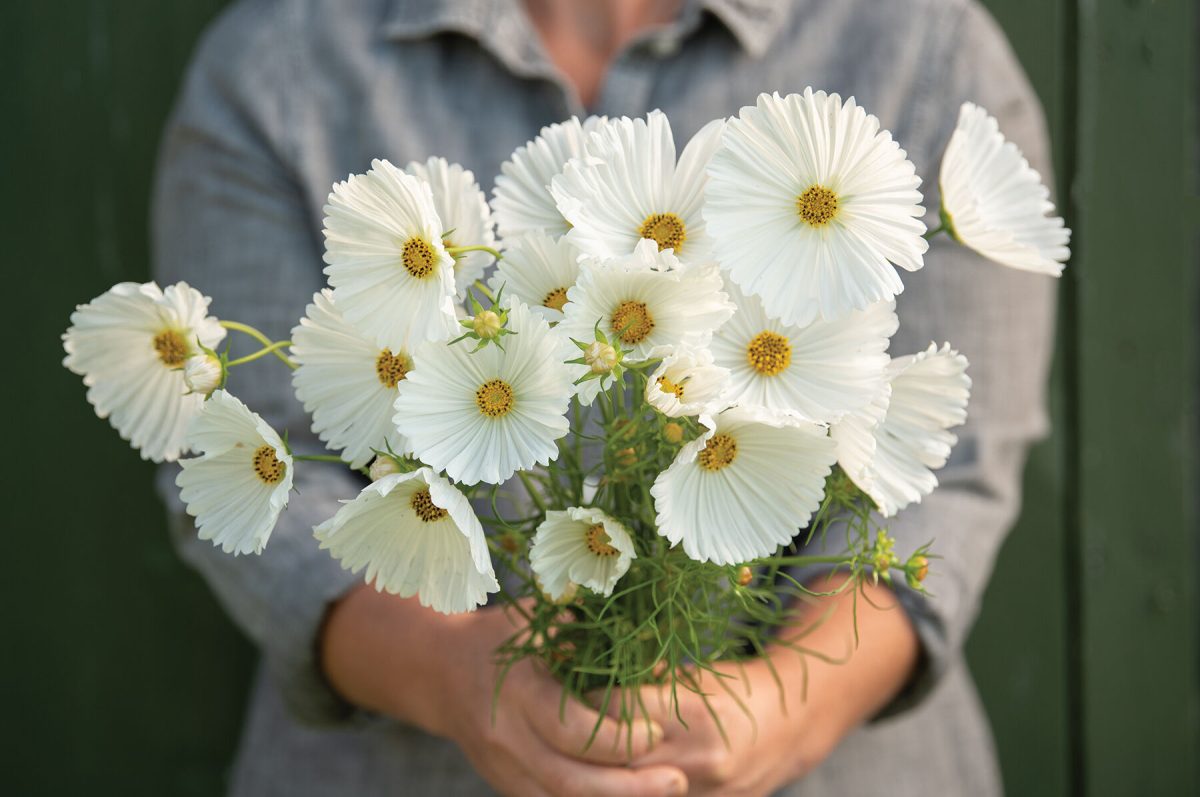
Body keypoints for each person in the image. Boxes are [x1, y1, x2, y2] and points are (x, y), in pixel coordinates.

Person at [153, 1, 1057, 794]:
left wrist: (790, 706)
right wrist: (455, 674)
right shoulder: (278, 65)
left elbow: (944, 474)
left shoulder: (925, 48)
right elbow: (249, 476)